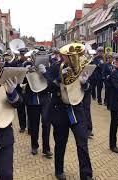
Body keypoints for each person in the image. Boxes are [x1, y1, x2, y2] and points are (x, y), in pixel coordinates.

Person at [39, 52, 93, 180]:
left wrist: (85, 83)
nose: (70, 58)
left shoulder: (80, 67)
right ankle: (59, 170)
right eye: (67, 55)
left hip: (77, 109)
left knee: (82, 143)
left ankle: (86, 175)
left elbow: (88, 90)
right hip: (60, 110)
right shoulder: (54, 67)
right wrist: (60, 78)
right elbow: (48, 87)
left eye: (74, 55)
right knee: (60, 143)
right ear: (62, 55)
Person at [24, 62, 53, 158]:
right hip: (33, 100)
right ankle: (34, 146)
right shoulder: (28, 67)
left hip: (45, 100)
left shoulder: (48, 68)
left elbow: (51, 85)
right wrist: (25, 71)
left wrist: (44, 73)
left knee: (46, 124)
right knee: (34, 125)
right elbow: (21, 82)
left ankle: (46, 148)